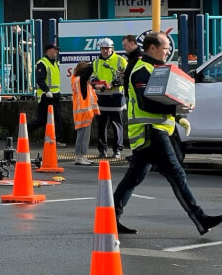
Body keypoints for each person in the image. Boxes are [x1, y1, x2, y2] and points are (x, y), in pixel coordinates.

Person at [113, 31, 222, 235]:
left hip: (156, 132)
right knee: (176, 173)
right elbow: (146, 103)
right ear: (152, 48)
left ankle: (110, 218)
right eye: (165, 48)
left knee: (134, 177)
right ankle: (200, 218)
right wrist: (176, 110)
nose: (168, 51)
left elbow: (162, 99)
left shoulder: (156, 69)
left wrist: (180, 117)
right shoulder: (142, 70)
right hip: (150, 133)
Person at [90, 38, 127, 159]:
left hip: (116, 98)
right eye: (103, 49)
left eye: (107, 48)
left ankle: (117, 150)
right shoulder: (95, 62)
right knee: (101, 126)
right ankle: (102, 150)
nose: (105, 51)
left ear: (112, 49)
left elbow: (125, 77)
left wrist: (113, 84)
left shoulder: (120, 60)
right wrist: (96, 84)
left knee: (117, 125)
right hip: (101, 98)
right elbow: (92, 77)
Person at [28, 43, 64, 144]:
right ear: (48, 51)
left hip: (55, 96)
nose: (56, 51)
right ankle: (25, 130)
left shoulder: (55, 63)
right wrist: (47, 90)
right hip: (46, 97)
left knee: (57, 118)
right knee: (43, 119)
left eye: (57, 50)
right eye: (54, 49)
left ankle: (56, 139)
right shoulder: (42, 63)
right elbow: (40, 80)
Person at [71, 61, 99, 166]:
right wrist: (92, 63)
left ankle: (82, 156)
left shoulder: (79, 81)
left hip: (84, 113)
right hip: (82, 113)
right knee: (82, 136)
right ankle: (79, 156)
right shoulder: (80, 81)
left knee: (84, 136)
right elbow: (89, 71)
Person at [121, 33, 142, 99]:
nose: (124, 48)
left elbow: (139, 75)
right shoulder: (132, 57)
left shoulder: (140, 57)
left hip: (136, 95)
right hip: (131, 94)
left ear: (132, 44)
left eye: (125, 45)